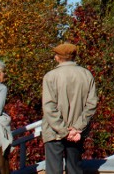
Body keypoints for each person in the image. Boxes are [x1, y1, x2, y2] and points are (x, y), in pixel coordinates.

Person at [41, 42, 98, 174]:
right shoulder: (86, 75)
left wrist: (64, 131)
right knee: (75, 169)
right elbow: (91, 104)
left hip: (54, 132)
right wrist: (77, 128)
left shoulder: (50, 76)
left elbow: (49, 107)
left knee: (54, 170)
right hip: (77, 133)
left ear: (58, 57)